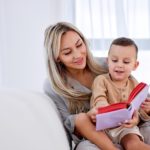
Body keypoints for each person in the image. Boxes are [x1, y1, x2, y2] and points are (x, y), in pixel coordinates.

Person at [43, 22, 150, 150]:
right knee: (80, 120)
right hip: (95, 134)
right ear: (57, 58)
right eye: (67, 52)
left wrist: (139, 113)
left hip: (124, 127)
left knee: (134, 141)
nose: (78, 55)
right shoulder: (53, 86)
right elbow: (69, 125)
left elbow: (136, 97)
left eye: (79, 45)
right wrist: (90, 115)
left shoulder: (109, 65)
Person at [90, 37, 150, 150]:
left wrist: (143, 113)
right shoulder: (101, 80)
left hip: (124, 127)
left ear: (135, 65)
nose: (120, 65)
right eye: (114, 60)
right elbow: (99, 98)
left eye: (126, 62)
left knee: (133, 144)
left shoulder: (134, 83)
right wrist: (105, 109)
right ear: (107, 61)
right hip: (102, 128)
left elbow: (137, 111)